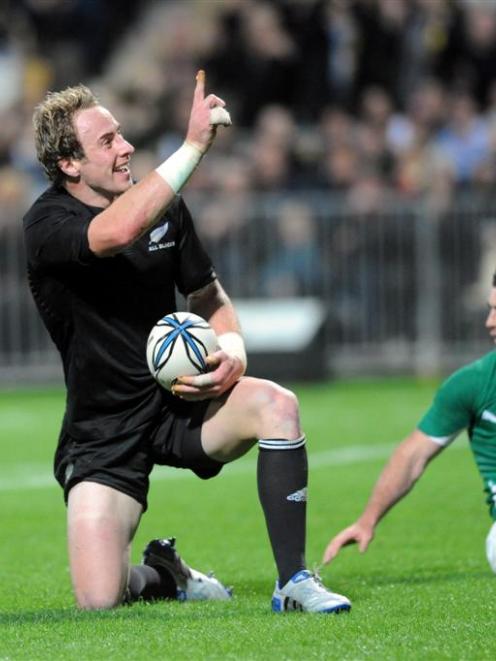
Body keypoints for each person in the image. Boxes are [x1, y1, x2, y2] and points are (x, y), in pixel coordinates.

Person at [23, 72, 351, 614]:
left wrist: (234, 353)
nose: (126, 147)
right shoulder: (47, 223)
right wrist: (194, 146)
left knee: (277, 405)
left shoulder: (163, 207)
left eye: (121, 134)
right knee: (99, 598)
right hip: (104, 430)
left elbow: (209, 295)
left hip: (183, 400)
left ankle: (293, 581)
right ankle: (166, 574)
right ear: (69, 165)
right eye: (107, 142)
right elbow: (115, 233)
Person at [323, 272, 496, 574]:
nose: (489, 322)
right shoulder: (472, 384)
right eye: (490, 309)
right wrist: (367, 520)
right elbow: (413, 455)